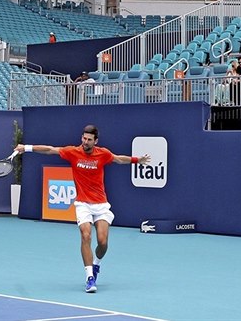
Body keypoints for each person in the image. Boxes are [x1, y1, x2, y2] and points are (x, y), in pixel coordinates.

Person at [14, 125, 150, 293]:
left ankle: (97, 264)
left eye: (89, 140)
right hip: (82, 203)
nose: (85, 142)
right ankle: (89, 277)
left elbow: (119, 159)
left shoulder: (103, 154)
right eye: (84, 138)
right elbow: (50, 150)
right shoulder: (73, 152)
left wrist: (138, 160)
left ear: (96, 141)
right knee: (86, 235)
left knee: (103, 242)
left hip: (100, 204)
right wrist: (26, 148)